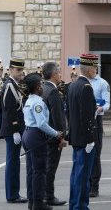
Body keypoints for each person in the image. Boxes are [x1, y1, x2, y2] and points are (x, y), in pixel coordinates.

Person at [22, 73, 64, 210]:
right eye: (40, 84)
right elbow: (41, 124)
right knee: (39, 171)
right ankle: (38, 203)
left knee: (31, 170)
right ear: (36, 87)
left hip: (28, 134)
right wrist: (56, 133)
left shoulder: (29, 100)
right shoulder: (38, 102)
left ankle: (32, 201)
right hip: (36, 135)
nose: (42, 86)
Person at [67, 54, 97, 210]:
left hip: (76, 136)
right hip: (85, 139)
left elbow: (71, 114)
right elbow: (86, 117)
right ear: (90, 69)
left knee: (76, 175)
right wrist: (91, 139)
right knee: (83, 176)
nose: (96, 70)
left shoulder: (72, 85)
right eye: (95, 67)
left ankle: (74, 205)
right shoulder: (86, 87)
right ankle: (80, 206)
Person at [0, 57, 27, 204]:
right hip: (12, 129)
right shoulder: (10, 85)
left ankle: (14, 193)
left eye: (21, 69)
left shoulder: (14, 84)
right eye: (18, 70)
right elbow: (9, 109)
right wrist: (16, 129)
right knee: (12, 162)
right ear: (10, 70)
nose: (20, 72)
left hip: (13, 129)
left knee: (14, 161)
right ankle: (12, 194)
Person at [41, 62, 68, 206]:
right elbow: (58, 117)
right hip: (53, 136)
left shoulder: (43, 88)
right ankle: (49, 196)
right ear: (53, 74)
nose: (60, 74)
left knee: (46, 167)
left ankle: (45, 194)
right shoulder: (52, 91)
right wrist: (61, 136)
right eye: (58, 72)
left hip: (45, 134)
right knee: (51, 167)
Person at [89, 66, 110, 198]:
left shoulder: (102, 83)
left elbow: (107, 103)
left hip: (96, 119)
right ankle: (85, 183)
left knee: (95, 154)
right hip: (83, 120)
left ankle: (94, 187)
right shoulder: (81, 81)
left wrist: (100, 108)